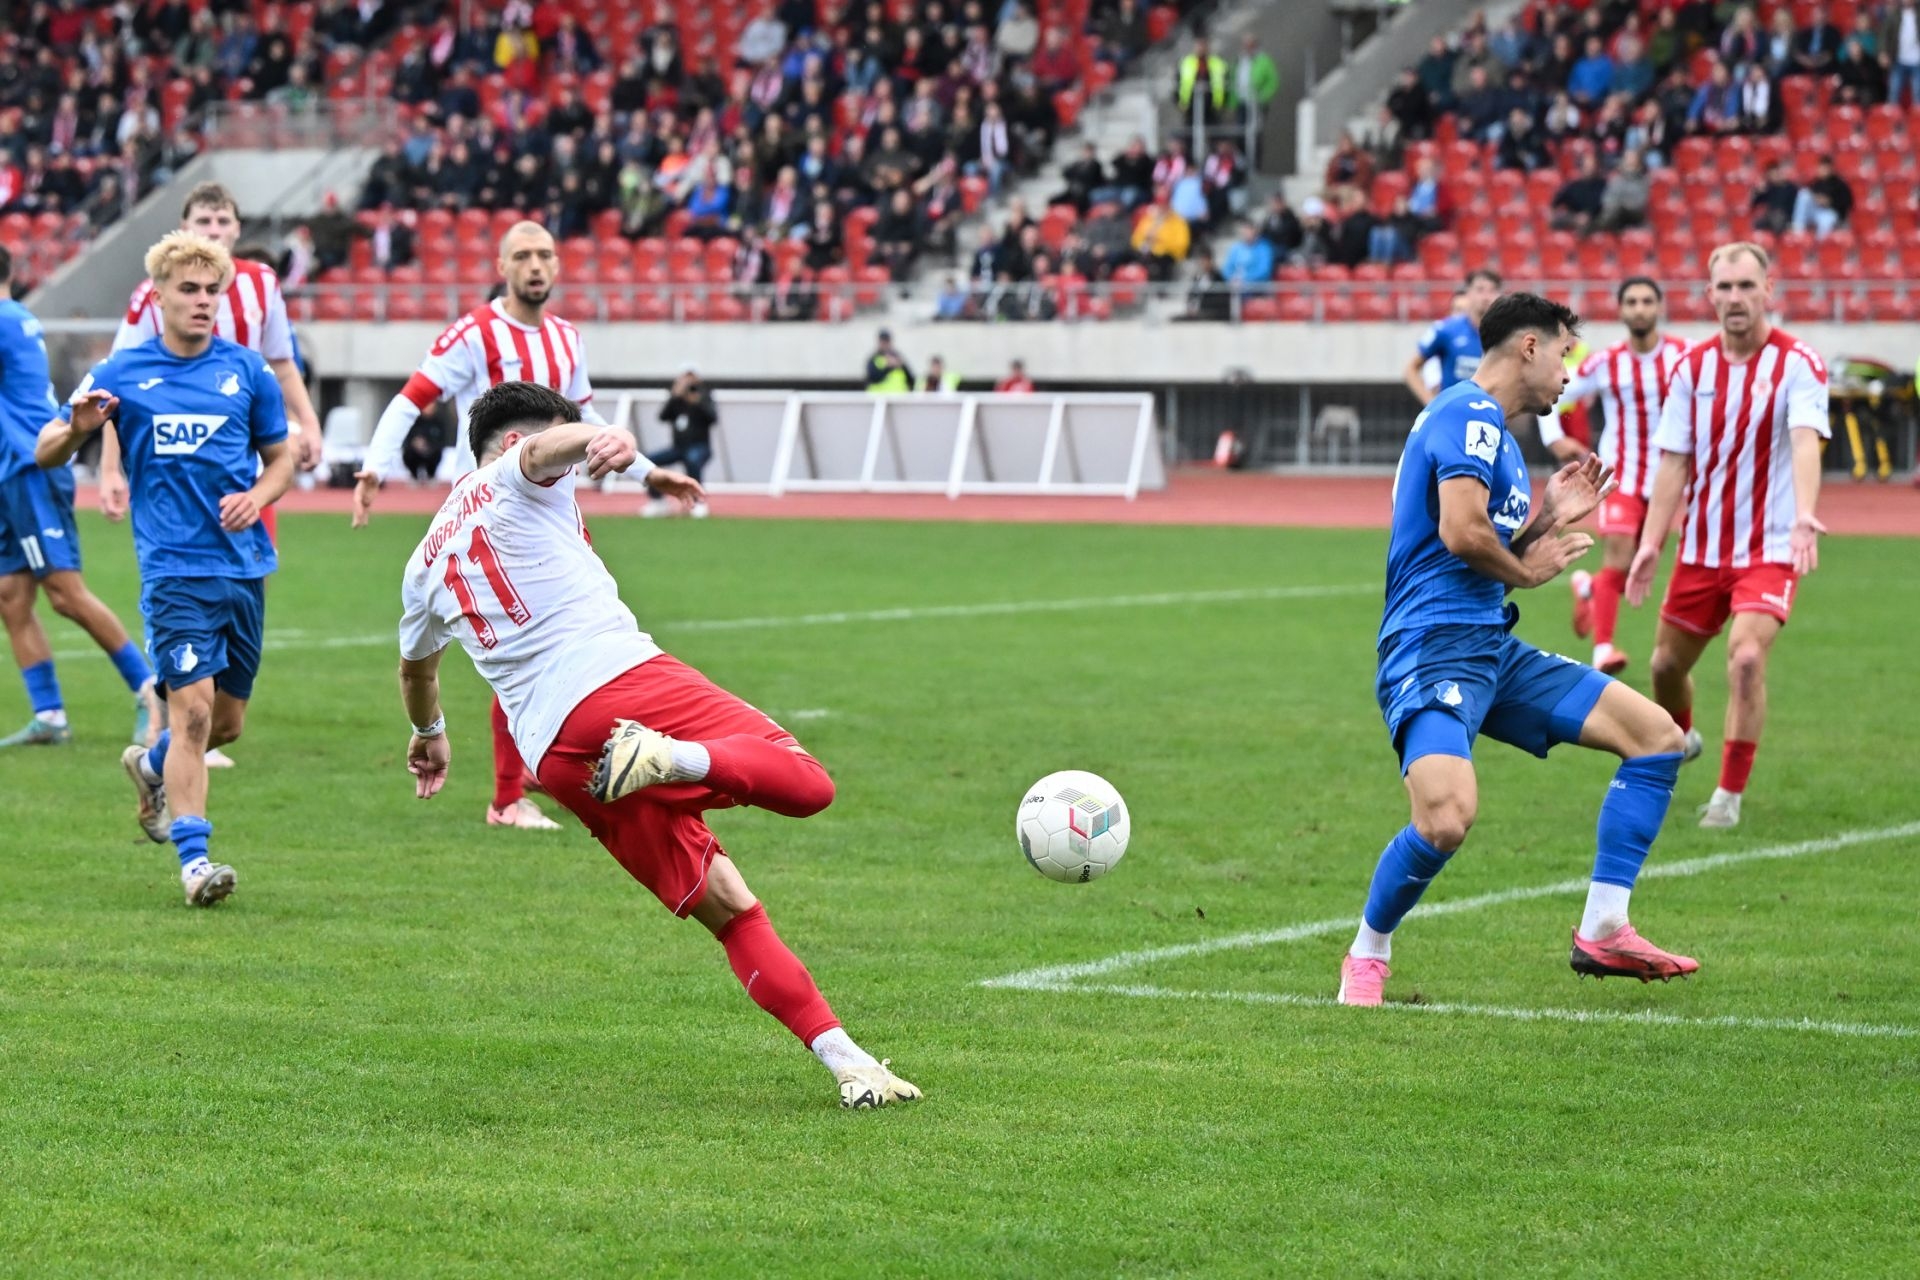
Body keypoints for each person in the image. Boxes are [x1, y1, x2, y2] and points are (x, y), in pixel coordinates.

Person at [395, 381, 920, 1110]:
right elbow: (545, 451)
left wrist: (429, 736)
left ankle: (850, 1064)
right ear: (513, 444)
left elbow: (416, 672)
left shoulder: (422, 562)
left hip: (559, 756)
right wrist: (600, 436)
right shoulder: (513, 475)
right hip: (619, 685)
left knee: (731, 909)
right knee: (808, 783)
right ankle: (669, 758)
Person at [1339, 292, 1695, 1008]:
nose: (1568, 373)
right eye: (1564, 353)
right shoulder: (1468, 413)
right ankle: (1368, 953)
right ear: (1529, 346)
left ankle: (1604, 927)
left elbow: (1484, 556)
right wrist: (1531, 569)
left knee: (1658, 737)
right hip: (1431, 648)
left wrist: (1544, 521)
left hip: (1490, 648)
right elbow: (1462, 535)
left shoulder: (1496, 437)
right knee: (1444, 819)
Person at [36, 231, 294, 907]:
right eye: (189, 289)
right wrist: (78, 428)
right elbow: (45, 448)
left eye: (213, 291)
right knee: (194, 715)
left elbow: (283, 459)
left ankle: (150, 768)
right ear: (158, 297)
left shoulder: (247, 370)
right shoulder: (121, 372)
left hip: (243, 568)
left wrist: (259, 496)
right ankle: (195, 862)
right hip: (173, 571)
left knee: (227, 723)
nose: (203, 300)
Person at [355, 220, 603, 833]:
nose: (535, 265)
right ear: (502, 266)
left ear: (558, 264)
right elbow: (411, 397)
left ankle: (541, 765)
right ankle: (509, 797)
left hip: (557, 512)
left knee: (568, 637)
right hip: (493, 516)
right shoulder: (475, 333)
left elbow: (589, 420)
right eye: (523, 255)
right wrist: (375, 465)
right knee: (522, 644)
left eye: (545, 254)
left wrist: (649, 472)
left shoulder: (567, 339)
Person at [100, 182, 321, 769]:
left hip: (244, 465)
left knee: (244, 582)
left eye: (223, 220)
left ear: (237, 228)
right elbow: (114, 391)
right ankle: (175, 718)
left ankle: (186, 731)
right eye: (204, 220)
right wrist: (110, 467)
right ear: (185, 226)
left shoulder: (262, 284)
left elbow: (282, 361)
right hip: (175, 469)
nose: (215, 229)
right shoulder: (155, 293)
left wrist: (308, 422)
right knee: (179, 592)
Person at [1626, 243, 1831, 830]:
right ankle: (1684, 738)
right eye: (1725, 287)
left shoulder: (1798, 363)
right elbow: (1673, 462)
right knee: (1664, 666)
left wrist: (1804, 514)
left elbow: (1805, 440)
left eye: (1746, 285)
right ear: (1709, 295)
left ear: (1769, 290)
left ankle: (1727, 796)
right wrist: (1650, 542)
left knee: (1744, 659)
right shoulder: (1691, 369)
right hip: (1701, 549)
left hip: (1771, 548)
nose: (1735, 298)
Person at [0, 245, 161, 749]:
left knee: (65, 593)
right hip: (13, 470)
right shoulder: (16, 317)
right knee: (10, 594)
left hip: (30, 468)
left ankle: (149, 690)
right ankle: (49, 715)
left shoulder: (4, 319)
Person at [1539, 277, 1690, 675]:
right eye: (1632, 302)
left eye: (1647, 301)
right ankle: (1603, 650)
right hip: (1618, 477)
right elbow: (1554, 388)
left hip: (1667, 482)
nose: (1639, 308)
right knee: (1619, 559)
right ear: (1621, 310)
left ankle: (1589, 587)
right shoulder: (1606, 361)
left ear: (1659, 307)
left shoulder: (1685, 356)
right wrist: (1554, 439)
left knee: (1631, 572)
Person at [1404, 268, 1500, 405]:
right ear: (1468, 293)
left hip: (1489, 413)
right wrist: (1432, 404)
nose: (1486, 297)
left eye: (1492, 290)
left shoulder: (1505, 334)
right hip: (1453, 412)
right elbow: (1411, 369)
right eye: (1480, 289)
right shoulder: (1446, 329)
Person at [642, 364, 716, 520]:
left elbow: (713, 418)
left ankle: (698, 501)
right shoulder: (677, 399)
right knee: (649, 460)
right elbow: (662, 416)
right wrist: (675, 396)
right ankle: (658, 501)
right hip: (678, 448)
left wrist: (697, 402)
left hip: (699, 446)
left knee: (692, 459)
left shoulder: (704, 395)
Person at [863, 329, 913, 393]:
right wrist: (888, 367)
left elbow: (910, 379)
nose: (885, 344)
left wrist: (901, 365)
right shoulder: (874, 359)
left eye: (887, 341)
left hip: (899, 397)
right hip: (879, 397)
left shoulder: (898, 357)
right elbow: (873, 378)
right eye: (883, 341)